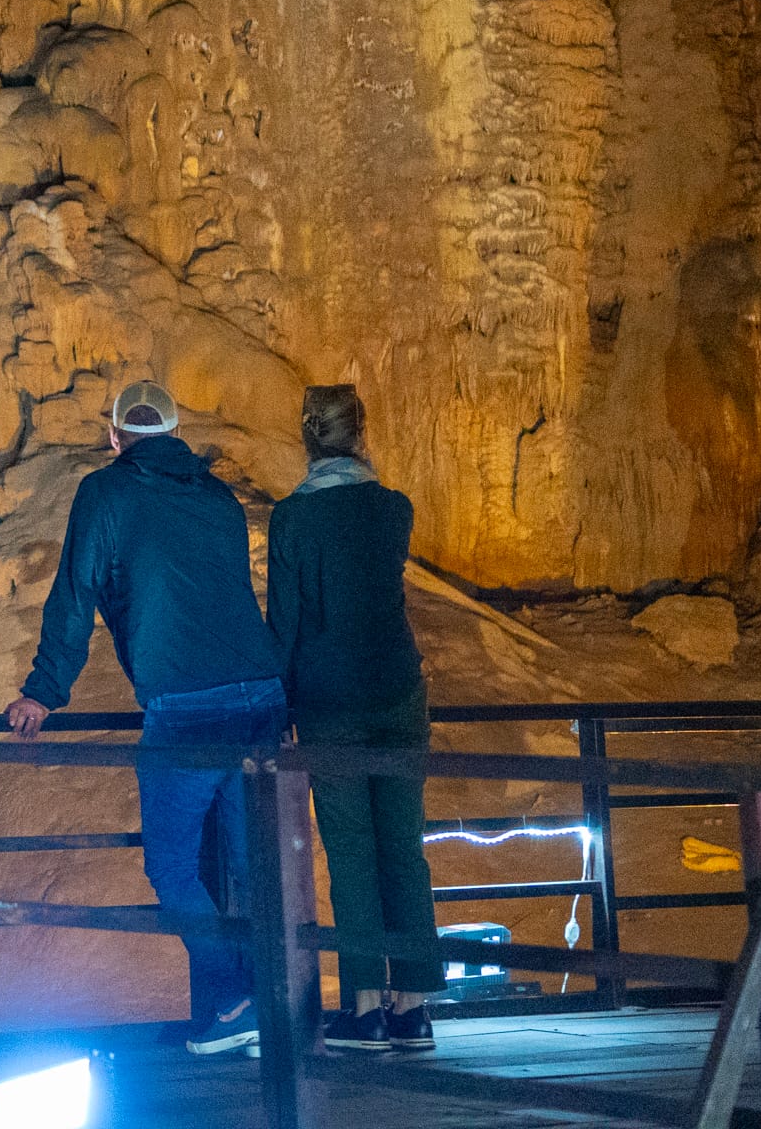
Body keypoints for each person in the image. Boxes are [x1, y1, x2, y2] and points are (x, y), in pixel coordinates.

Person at [5, 379, 287, 1056]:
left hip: (187, 710)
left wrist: (43, 691)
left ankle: (232, 996)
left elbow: (76, 594)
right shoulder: (218, 497)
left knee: (170, 866)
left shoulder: (107, 492)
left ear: (115, 438)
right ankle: (278, 1001)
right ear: (174, 433)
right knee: (258, 864)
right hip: (261, 699)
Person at [269, 384, 440, 1053]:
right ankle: (416, 1008)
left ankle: (365, 1008)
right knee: (404, 847)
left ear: (308, 438)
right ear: (360, 434)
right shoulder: (393, 510)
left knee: (351, 852)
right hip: (399, 690)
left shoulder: (292, 520)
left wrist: (280, 702)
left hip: (329, 700)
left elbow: (285, 622)